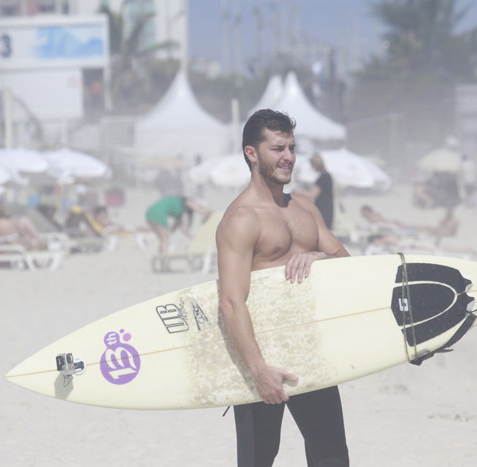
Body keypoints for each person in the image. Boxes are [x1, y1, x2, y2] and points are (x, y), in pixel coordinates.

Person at [216, 109, 350, 466]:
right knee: (258, 460)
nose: (289, 157)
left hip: (310, 350)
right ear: (252, 153)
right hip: (263, 356)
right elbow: (231, 301)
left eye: (291, 147)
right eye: (278, 148)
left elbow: (347, 263)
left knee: (333, 458)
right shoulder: (241, 219)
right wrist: (259, 369)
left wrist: (320, 256)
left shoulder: (304, 208)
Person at [145, 196, 211, 255]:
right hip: (157, 214)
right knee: (165, 239)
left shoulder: (179, 211)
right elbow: (192, 205)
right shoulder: (185, 201)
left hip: (150, 213)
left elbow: (183, 230)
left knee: (163, 239)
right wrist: (204, 212)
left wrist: (193, 238)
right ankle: (164, 263)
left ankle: (162, 261)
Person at [301, 153, 334, 229]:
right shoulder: (326, 176)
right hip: (326, 210)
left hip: (323, 211)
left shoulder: (324, 177)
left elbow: (312, 194)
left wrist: (297, 192)